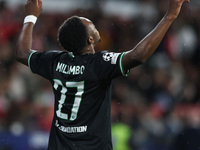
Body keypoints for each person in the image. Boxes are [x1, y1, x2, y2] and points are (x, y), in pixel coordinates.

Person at [15, 0, 189, 149]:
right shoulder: (98, 64)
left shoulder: (53, 61)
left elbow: (22, 52)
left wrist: (31, 17)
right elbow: (138, 55)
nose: (94, 25)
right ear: (90, 39)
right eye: (90, 24)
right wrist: (170, 16)